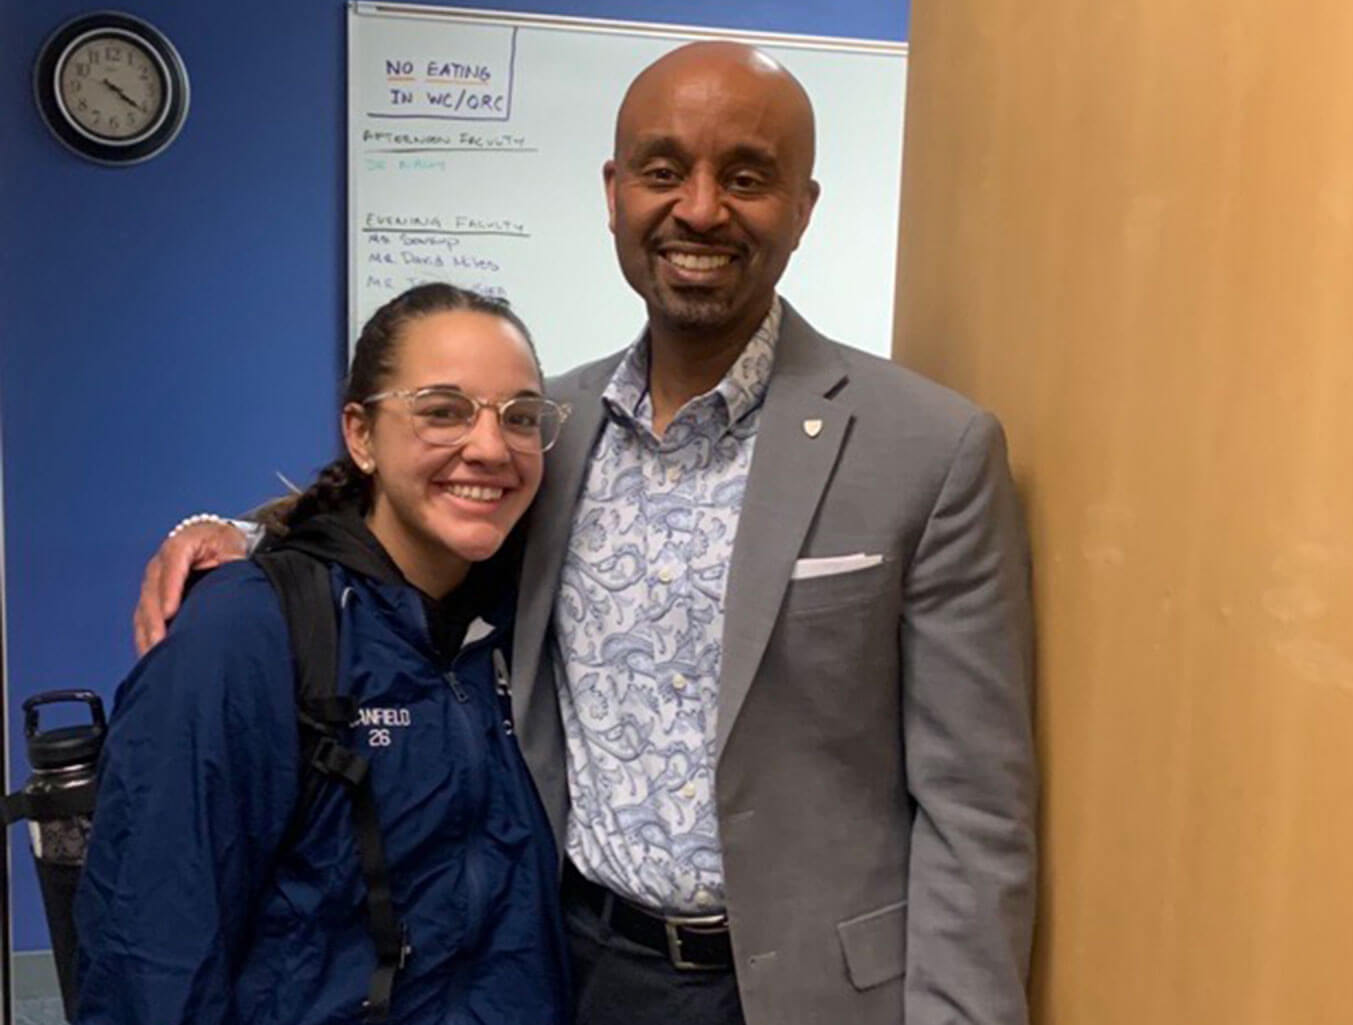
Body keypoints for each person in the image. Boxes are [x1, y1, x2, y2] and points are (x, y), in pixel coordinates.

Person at [135, 42, 1036, 1025]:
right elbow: (405, 525)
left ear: (804, 206)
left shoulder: (929, 446)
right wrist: (227, 530)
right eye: (662, 170)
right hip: (577, 968)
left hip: (819, 991)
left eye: (746, 176)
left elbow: (975, 809)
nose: (699, 209)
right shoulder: (544, 428)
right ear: (615, 193)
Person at [85, 283, 571, 1025]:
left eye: (520, 416)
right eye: (442, 410)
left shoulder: (523, 619)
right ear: (362, 434)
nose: (489, 445)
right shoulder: (248, 634)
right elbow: (154, 954)